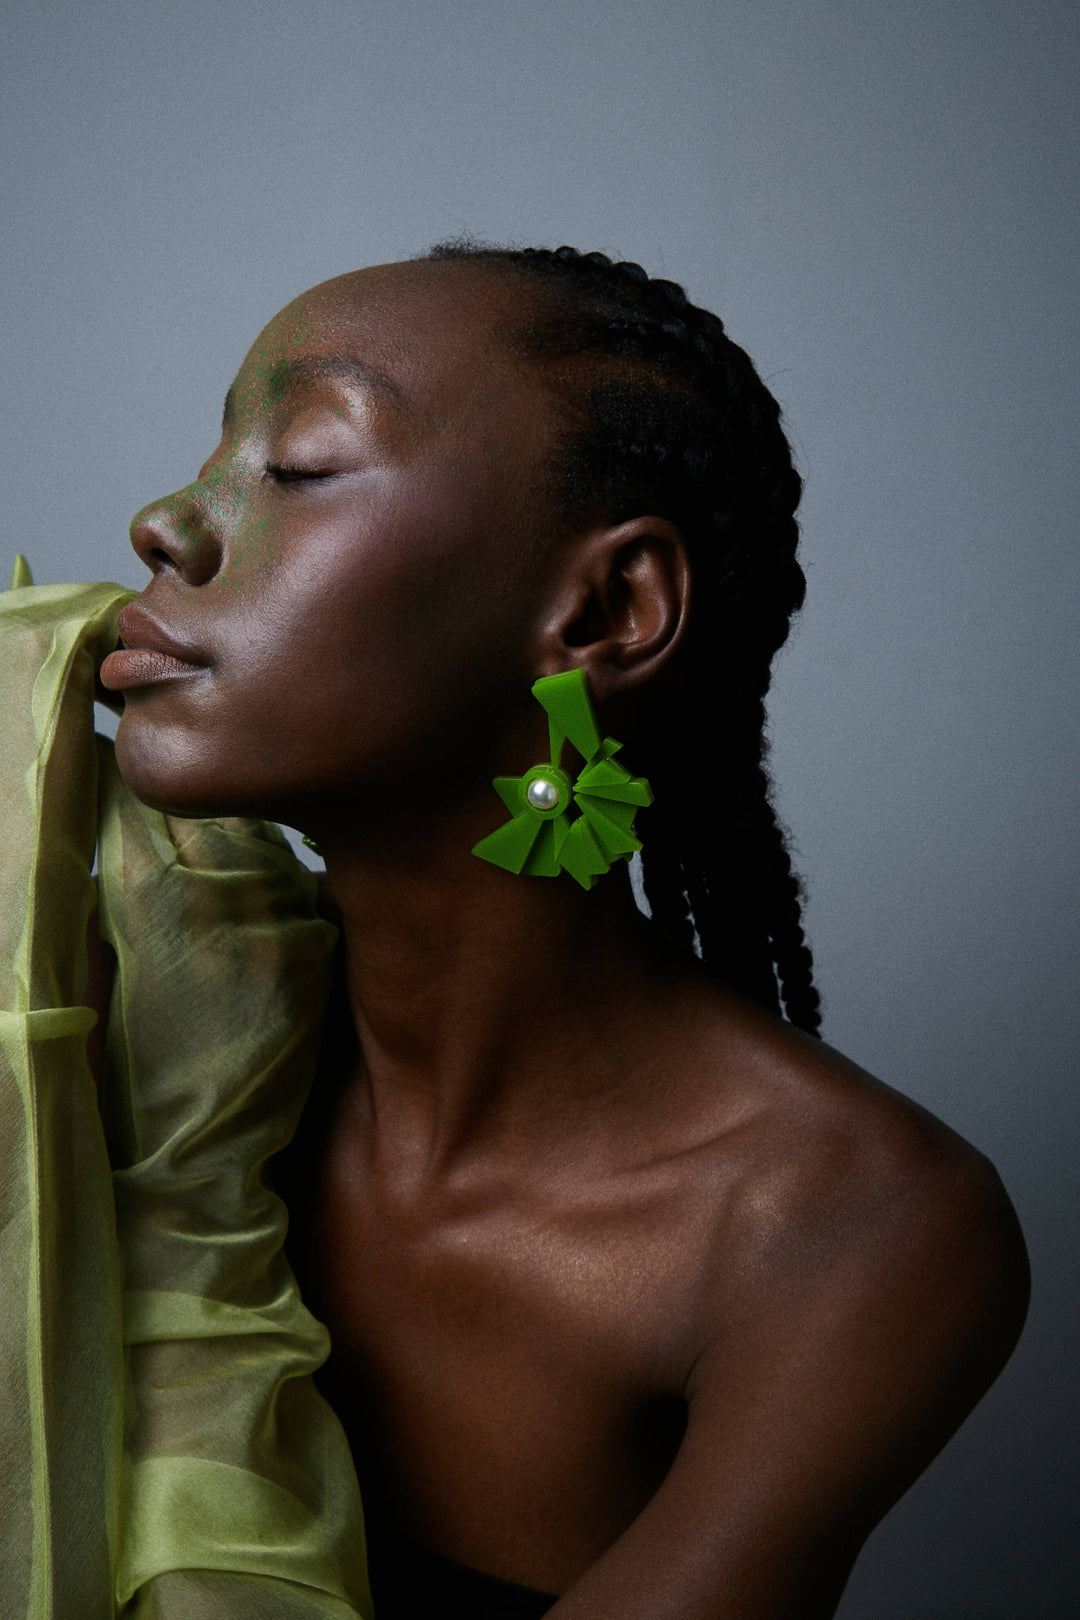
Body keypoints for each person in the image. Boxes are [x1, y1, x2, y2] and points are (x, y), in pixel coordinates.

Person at [8, 245, 1028, 1619]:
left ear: (604, 613)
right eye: (213, 453)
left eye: (301, 463)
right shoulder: (146, 1051)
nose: (165, 523)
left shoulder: (843, 1229)